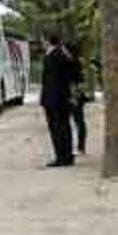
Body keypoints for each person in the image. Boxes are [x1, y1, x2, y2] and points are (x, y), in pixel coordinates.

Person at [40, 36, 75, 167]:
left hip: (52, 99)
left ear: (48, 41)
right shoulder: (65, 55)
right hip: (64, 97)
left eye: (43, 41)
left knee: (56, 128)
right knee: (66, 126)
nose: (42, 44)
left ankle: (60, 157)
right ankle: (68, 156)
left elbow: (47, 80)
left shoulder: (50, 56)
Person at [66, 42, 88, 155]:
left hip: (74, 96)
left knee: (78, 122)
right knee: (79, 122)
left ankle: (80, 146)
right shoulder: (78, 62)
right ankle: (80, 146)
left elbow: (76, 81)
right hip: (76, 95)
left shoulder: (73, 63)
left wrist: (74, 96)